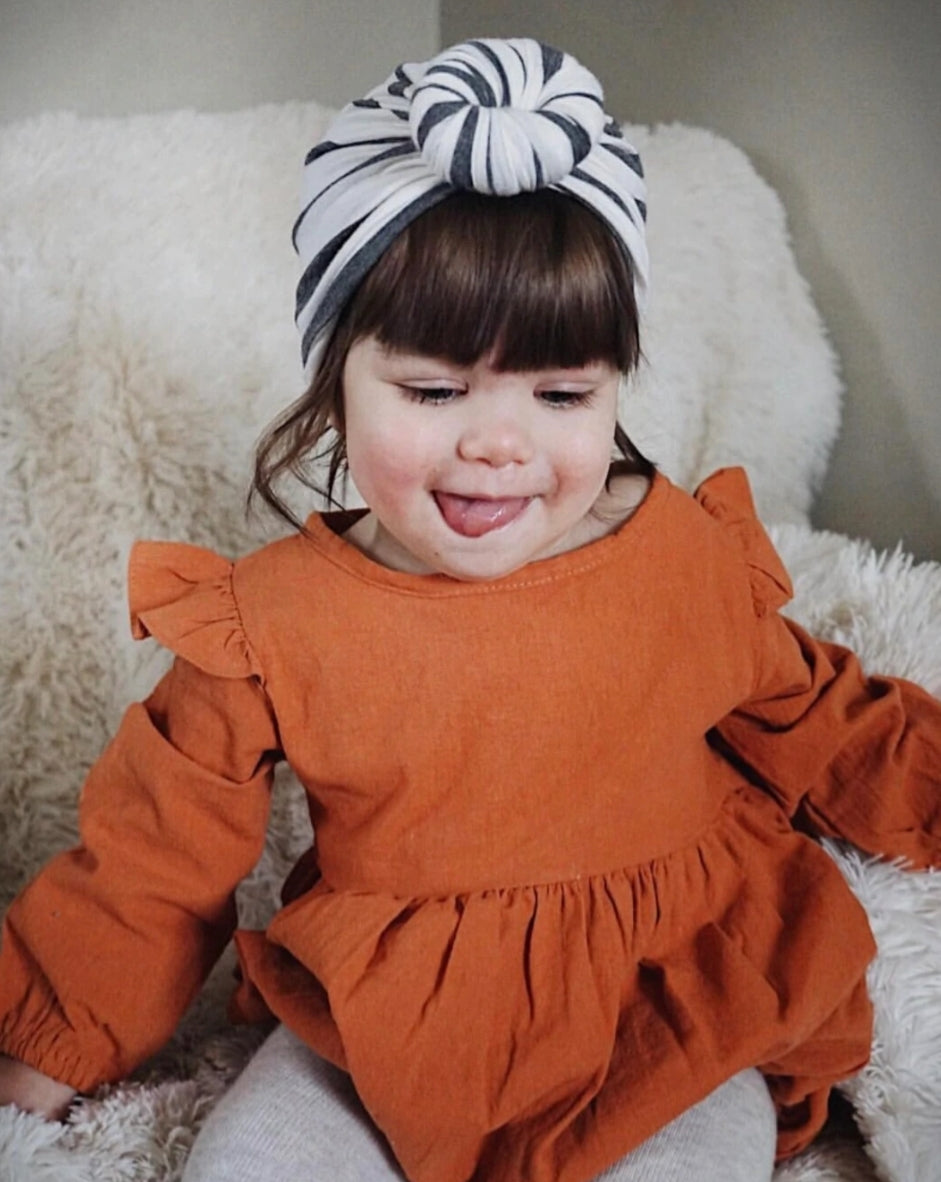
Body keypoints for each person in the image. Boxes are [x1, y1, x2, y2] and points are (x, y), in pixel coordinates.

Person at [0, 36, 938, 1182]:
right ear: (336, 382)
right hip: (384, 1034)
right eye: (434, 389)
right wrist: (46, 1045)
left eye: (561, 393)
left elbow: (813, 713)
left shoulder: (676, 558)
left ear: (614, 388)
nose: (498, 443)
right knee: (249, 1161)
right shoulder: (272, 624)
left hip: (663, 1012)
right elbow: (153, 860)